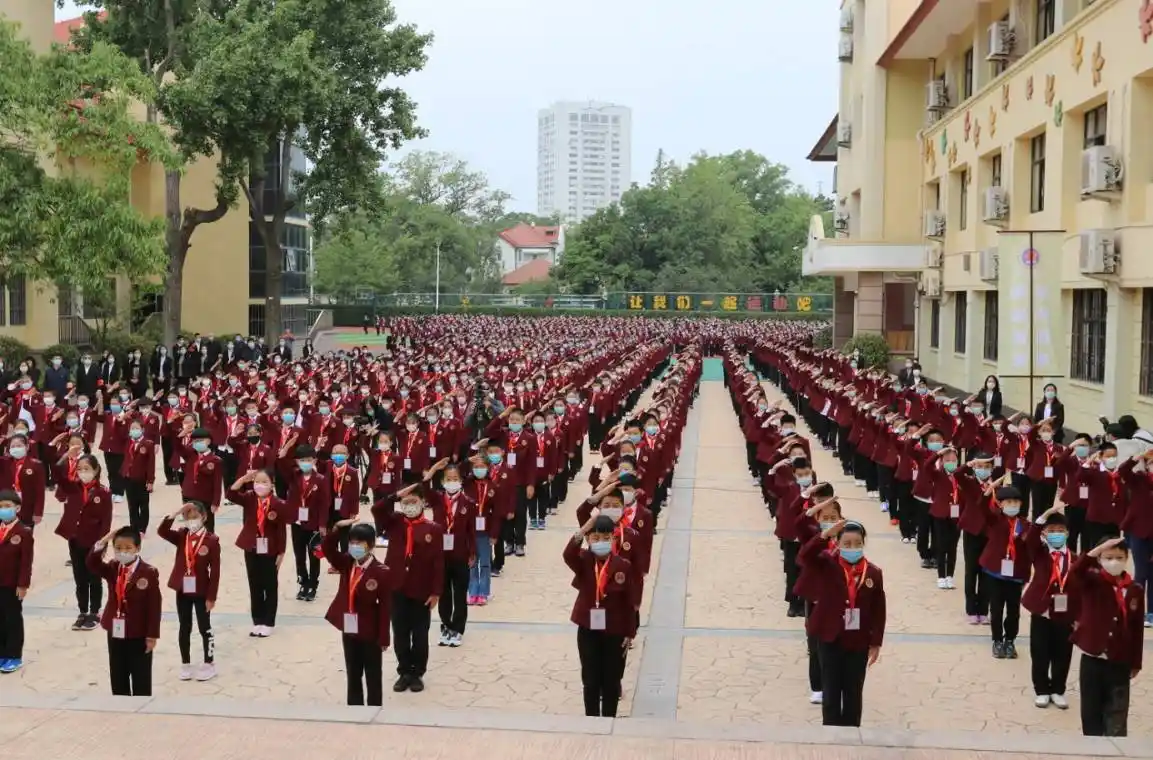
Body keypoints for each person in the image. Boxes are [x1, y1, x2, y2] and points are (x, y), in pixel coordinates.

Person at [800, 519, 885, 727]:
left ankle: (851, 732)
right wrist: (824, 535)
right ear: (837, 544)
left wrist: (876, 642)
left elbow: (878, 610)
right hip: (830, 637)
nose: (852, 548)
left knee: (853, 691)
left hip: (858, 641)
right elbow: (805, 556)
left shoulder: (873, 572)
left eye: (857, 543)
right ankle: (831, 733)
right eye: (846, 544)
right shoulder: (827, 564)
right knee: (831, 690)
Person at [563, 513, 639, 718]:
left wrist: (630, 632)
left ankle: (609, 719)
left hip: (615, 629)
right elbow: (568, 554)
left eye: (606, 538)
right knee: (590, 677)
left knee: (611, 678)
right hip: (588, 627)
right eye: (595, 538)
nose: (601, 542)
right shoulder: (584, 560)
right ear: (589, 540)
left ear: (613, 539)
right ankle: (592, 719)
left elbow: (630, 602)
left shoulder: (623, 566)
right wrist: (584, 529)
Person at [1072, 536, 1144, 736]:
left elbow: (1137, 629)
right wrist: (1097, 550)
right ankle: (1093, 748)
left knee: (1117, 716)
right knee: (1091, 713)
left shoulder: (1135, 589)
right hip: (1093, 659)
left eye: (1119, 557)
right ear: (1100, 559)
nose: (1114, 562)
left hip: (1120, 660)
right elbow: (1076, 572)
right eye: (1108, 557)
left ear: (1127, 558)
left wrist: (1136, 662)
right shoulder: (1093, 581)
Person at [380, 486, 444, 693]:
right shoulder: (394, 523)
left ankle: (417, 673)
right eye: (405, 503)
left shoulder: (433, 529)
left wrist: (436, 592)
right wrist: (395, 495)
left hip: (421, 590)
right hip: (396, 587)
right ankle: (404, 671)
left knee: (420, 634)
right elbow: (377, 509)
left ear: (422, 503)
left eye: (413, 502)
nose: (409, 506)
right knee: (400, 633)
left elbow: (438, 563)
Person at [323, 520, 392, 706]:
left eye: (359, 543)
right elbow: (328, 550)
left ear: (371, 545)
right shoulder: (347, 563)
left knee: (373, 675)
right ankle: (354, 710)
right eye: (352, 542)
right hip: (349, 629)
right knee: (353, 673)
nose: (355, 547)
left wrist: (384, 638)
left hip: (370, 632)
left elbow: (385, 607)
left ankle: (374, 710)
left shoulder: (381, 572)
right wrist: (336, 529)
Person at [87, 526, 162, 696]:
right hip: (115, 629)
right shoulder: (113, 567)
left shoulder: (148, 572)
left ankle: (140, 704)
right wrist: (104, 540)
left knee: (141, 675)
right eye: (118, 548)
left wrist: (152, 635)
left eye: (128, 548)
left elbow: (154, 606)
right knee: (118, 674)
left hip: (138, 632)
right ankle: (120, 704)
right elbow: (92, 564)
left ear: (137, 548)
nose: (123, 552)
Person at [157, 501, 220, 681]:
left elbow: (215, 572)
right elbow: (162, 531)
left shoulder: (211, 540)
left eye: (195, 517)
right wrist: (176, 513)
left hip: (201, 591)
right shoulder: (181, 535)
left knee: (204, 627)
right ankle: (185, 663)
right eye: (188, 517)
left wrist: (211, 597)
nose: (192, 521)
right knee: (184, 626)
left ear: (204, 517)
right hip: (183, 589)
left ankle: (209, 663)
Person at [1024, 507, 1076, 710]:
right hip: (1042, 611)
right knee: (1040, 653)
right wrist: (1042, 518)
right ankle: (1042, 690)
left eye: (1060, 530)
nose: (1056, 534)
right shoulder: (1039, 553)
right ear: (1044, 534)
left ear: (1067, 533)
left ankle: (1058, 690)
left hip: (1065, 614)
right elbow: (1030, 539)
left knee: (1063, 653)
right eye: (1051, 530)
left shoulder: (1074, 558)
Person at [55, 451, 112, 631]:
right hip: (75, 539)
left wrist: (102, 544)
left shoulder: (103, 492)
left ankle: (94, 612)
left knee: (93, 577)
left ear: (96, 470)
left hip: (93, 542)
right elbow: (57, 474)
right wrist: (65, 456)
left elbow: (106, 521)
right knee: (79, 578)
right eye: (79, 469)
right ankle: (82, 611)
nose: (82, 472)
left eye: (86, 469)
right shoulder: (73, 487)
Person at [229, 469, 287, 637]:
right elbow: (231, 494)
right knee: (254, 584)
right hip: (251, 546)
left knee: (270, 585)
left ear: (272, 485)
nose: (260, 486)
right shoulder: (249, 498)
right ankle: (258, 620)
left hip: (270, 549)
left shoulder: (278, 504)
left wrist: (281, 553)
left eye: (264, 482)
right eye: (257, 482)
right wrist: (243, 479)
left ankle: (268, 622)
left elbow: (281, 531)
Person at [0, 489, 33, 673]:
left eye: (8, 506)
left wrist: (23, 585)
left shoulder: (23, 532)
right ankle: (2, 653)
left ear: (17, 508)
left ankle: (14, 655)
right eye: (1, 507)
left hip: (12, 584)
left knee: (12, 618)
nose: (3, 510)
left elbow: (26, 562)